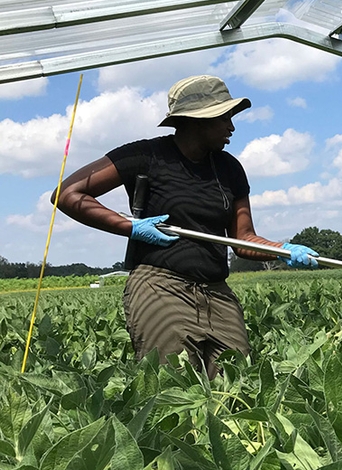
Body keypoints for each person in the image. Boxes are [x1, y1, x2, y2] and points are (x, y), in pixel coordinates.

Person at [54, 75, 318, 378]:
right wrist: (130, 226)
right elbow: (67, 194)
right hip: (160, 286)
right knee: (173, 385)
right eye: (225, 117)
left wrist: (281, 250)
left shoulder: (230, 168)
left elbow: (243, 240)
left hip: (217, 292)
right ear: (197, 121)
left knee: (238, 381)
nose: (231, 126)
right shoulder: (145, 156)